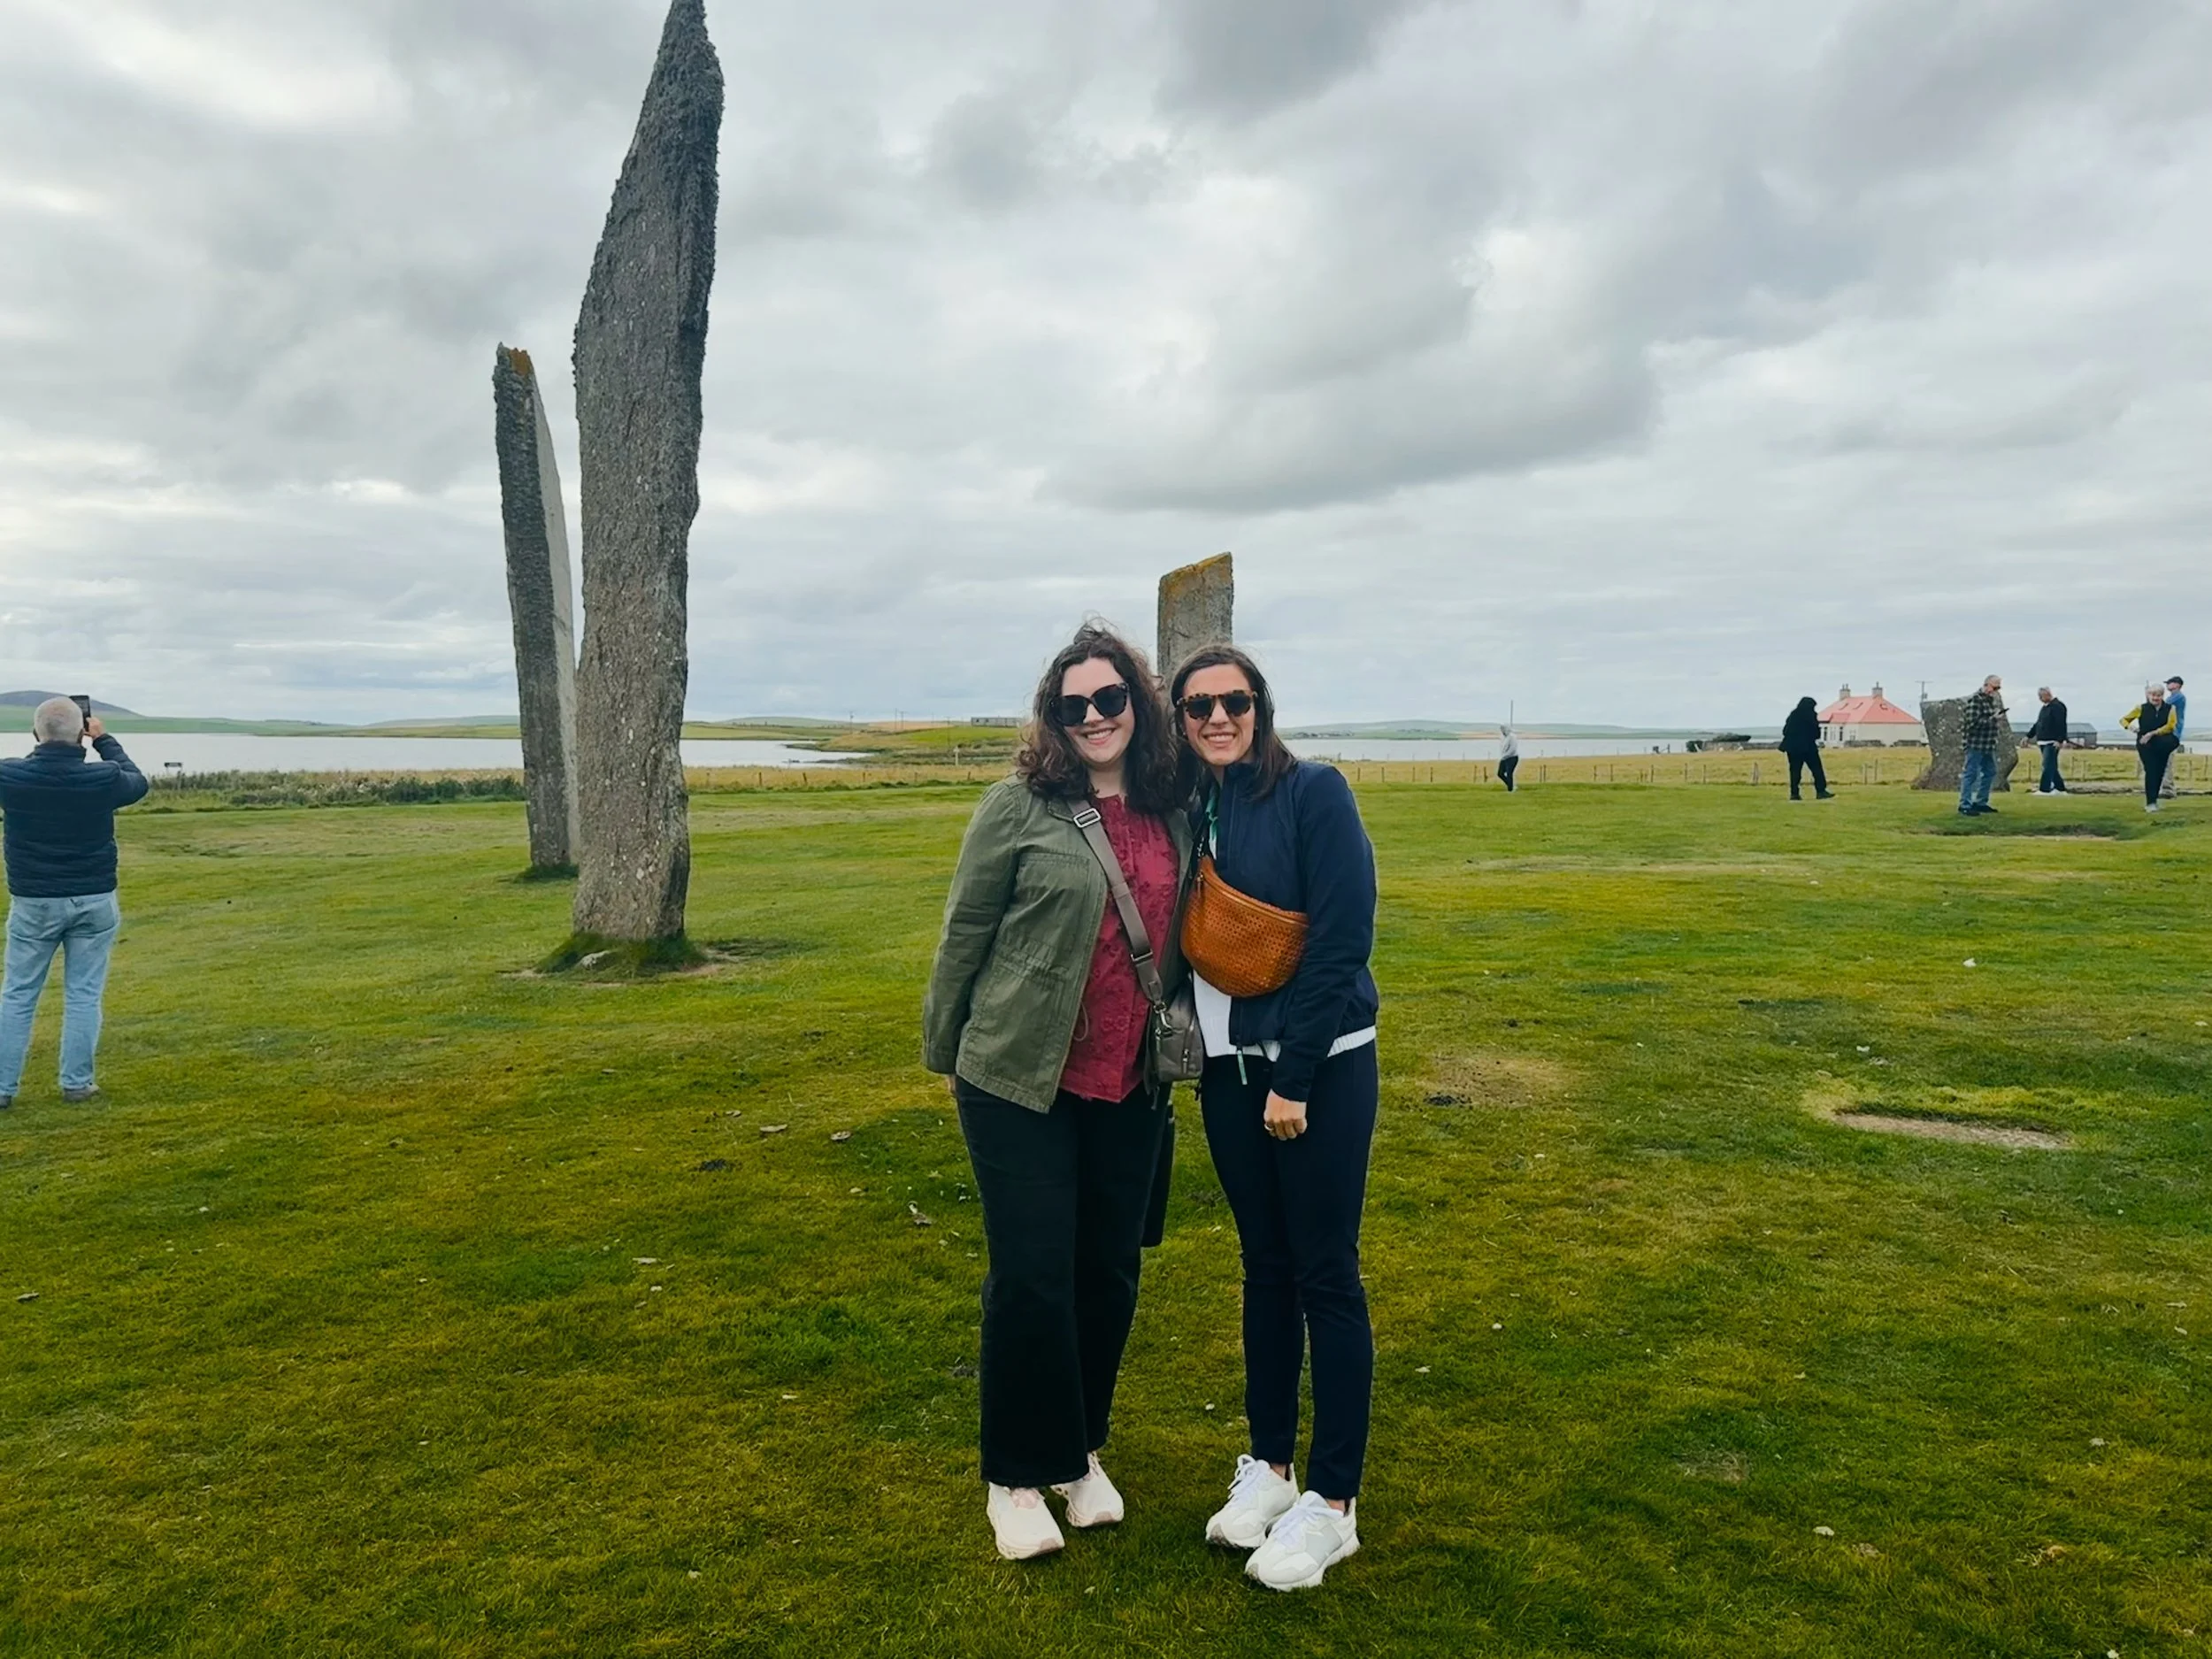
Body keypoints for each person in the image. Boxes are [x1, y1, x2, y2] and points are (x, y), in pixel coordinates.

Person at [922, 624, 1193, 1563]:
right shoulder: (1016, 808)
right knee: (1033, 1277)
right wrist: (945, 1051)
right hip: (1015, 1076)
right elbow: (965, 932)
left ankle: (1078, 1452)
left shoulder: (1173, 809)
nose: (1091, 717)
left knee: (1107, 1274)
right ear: (1052, 717)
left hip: (1130, 1081)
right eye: (1071, 705)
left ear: (1137, 706)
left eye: (1108, 699)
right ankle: (1013, 1473)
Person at [1171, 643, 1379, 1593]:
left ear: (1261, 707)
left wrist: (1293, 1079)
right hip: (1226, 1075)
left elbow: (1340, 942)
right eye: (1198, 706)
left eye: (1234, 702)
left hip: (1318, 1074)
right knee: (1265, 1267)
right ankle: (1269, 1466)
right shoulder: (1193, 807)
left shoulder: (1313, 793)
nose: (1218, 718)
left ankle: (1332, 1503)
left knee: (1326, 1272)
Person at [0, 698, 149, 1108]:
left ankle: (2, 1088)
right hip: (94, 897)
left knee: (17, 994)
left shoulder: (10, 775)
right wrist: (105, 742)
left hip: (33, 900)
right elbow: (138, 781)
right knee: (83, 994)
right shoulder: (103, 777)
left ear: (35, 734)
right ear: (82, 732)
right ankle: (77, 1083)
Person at [2121, 681, 2180, 813]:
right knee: (2151, 770)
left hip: (2162, 742)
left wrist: (2152, 733)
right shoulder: (2141, 708)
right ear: (2148, 695)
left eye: (2158, 695)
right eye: (2153, 695)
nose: (2155, 698)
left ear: (2162, 695)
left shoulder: (2171, 709)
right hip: (2145, 743)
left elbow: (2170, 726)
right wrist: (2130, 727)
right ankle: (2150, 802)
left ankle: (2153, 801)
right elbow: (2124, 720)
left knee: (2159, 771)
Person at [1958, 674, 2005, 817]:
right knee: (1970, 774)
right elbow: (1972, 724)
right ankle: (1964, 804)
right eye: (1995, 687)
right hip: (1975, 744)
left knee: (1990, 772)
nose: (1996, 691)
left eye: (1998, 688)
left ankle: (1980, 802)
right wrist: (1993, 719)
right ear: (1986, 685)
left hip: (1988, 745)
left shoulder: (1990, 701)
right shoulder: (1975, 701)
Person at [1780, 696, 1833, 801]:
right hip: (1808, 747)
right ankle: (1821, 791)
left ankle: (1794, 793)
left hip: (1793, 748)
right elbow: (1816, 734)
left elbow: (1785, 731)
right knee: (1817, 769)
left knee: (1795, 771)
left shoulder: (1793, 715)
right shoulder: (1811, 715)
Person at [2025, 687, 2070, 795]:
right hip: (2043, 741)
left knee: (2047, 765)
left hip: (2052, 741)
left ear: (2048, 694)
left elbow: (2061, 724)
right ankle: (2060, 789)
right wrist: (2028, 736)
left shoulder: (2058, 706)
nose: (2040, 698)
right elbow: (2038, 724)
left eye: (2042, 696)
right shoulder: (2045, 708)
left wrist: (2060, 740)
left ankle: (2044, 789)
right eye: (2039, 696)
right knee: (2052, 766)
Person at [2161, 676, 2185, 798]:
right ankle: (2165, 789)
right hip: (2169, 733)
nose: (2167, 685)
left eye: (2169, 683)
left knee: (2166, 762)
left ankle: (2168, 790)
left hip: (2172, 733)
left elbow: (2161, 706)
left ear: (2177, 685)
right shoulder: (2173, 697)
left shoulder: (2178, 697)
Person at [1496, 725, 1520, 792]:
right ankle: (1511, 785)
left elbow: (1512, 749)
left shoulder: (1512, 737)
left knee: (1509, 773)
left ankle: (1510, 789)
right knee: (1500, 773)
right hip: (1504, 758)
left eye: (1503, 729)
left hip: (1512, 758)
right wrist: (1502, 756)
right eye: (1501, 730)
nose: (1502, 731)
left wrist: (1505, 756)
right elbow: (1502, 747)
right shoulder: (1503, 737)